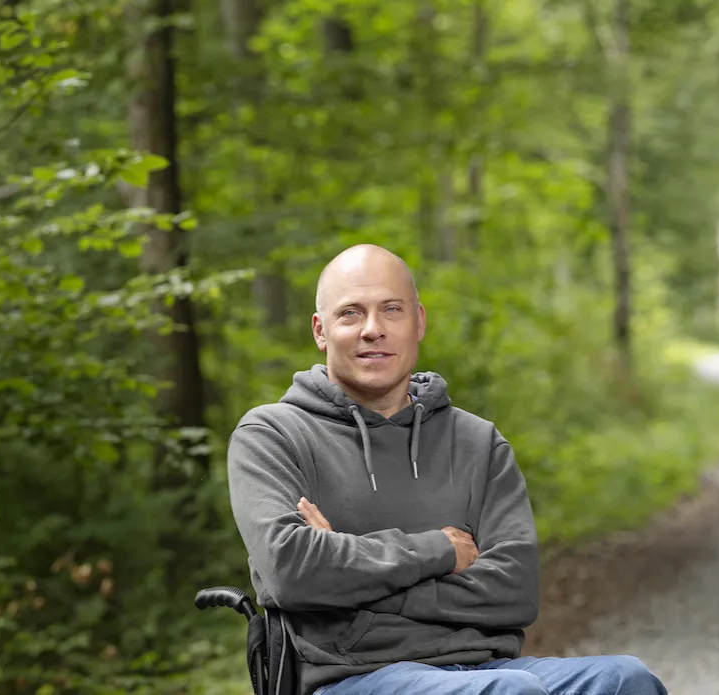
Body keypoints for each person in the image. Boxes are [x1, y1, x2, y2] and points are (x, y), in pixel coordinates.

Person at [225, 244, 668, 695]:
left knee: (625, 679)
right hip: (352, 677)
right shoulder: (272, 435)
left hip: (483, 666)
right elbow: (292, 572)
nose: (373, 329)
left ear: (419, 321)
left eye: (391, 310)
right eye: (351, 314)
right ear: (321, 331)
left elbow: (513, 591)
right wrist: (439, 551)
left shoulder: (478, 442)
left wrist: (347, 576)